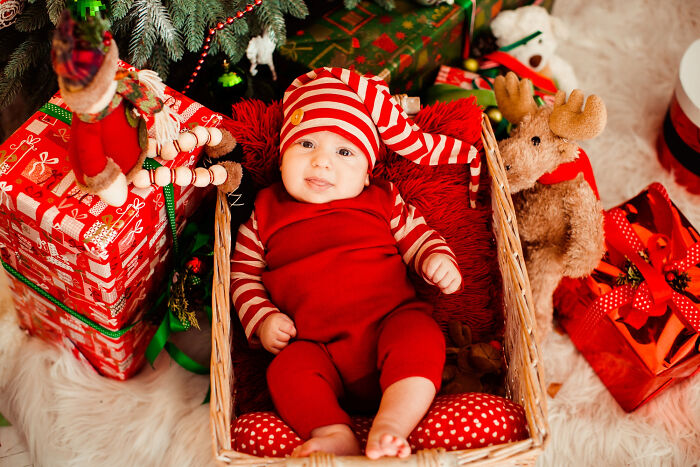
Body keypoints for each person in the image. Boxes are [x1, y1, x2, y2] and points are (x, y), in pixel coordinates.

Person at [230, 67, 481, 459]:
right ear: (281, 160)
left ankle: (393, 423)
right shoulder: (265, 212)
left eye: (344, 152)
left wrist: (436, 259)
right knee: (285, 368)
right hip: (314, 347)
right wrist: (262, 320)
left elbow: (419, 237)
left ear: (366, 174)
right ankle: (333, 432)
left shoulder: (382, 200)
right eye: (307, 144)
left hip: (389, 324)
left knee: (421, 335)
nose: (322, 163)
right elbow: (242, 275)